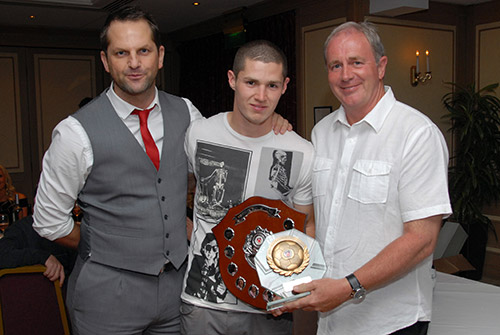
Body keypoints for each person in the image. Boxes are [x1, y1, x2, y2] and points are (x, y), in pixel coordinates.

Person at [32, 6, 290, 335]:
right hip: (106, 296)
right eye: (121, 53)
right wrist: (103, 245)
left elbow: (227, 162)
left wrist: (270, 123)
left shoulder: (186, 112)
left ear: (160, 55)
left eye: (144, 51)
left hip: (176, 290)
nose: (135, 63)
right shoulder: (74, 133)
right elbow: (48, 221)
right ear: (105, 61)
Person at [276, 22, 452, 335]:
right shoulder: (321, 133)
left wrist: (347, 287)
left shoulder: (416, 134)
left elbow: (422, 240)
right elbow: (317, 221)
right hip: (332, 320)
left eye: (357, 62)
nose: (346, 75)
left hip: (391, 322)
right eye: (335, 65)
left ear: (381, 66)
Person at [180, 40, 315, 335]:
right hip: (203, 302)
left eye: (272, 85)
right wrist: (186, 224)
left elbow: (305, 229)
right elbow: (182, 187)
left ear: (285, 86)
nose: (261, 96)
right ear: (232, 80)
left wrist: (291, 287)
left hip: (267, 306)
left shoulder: (301, 152)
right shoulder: (199, 134)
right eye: (251, 82)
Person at [0, 215, 76, 286]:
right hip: (43, 294)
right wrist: (44, 257)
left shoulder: (72, 230)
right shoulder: (22, 228)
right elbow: (3, 256)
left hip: (71, 293)